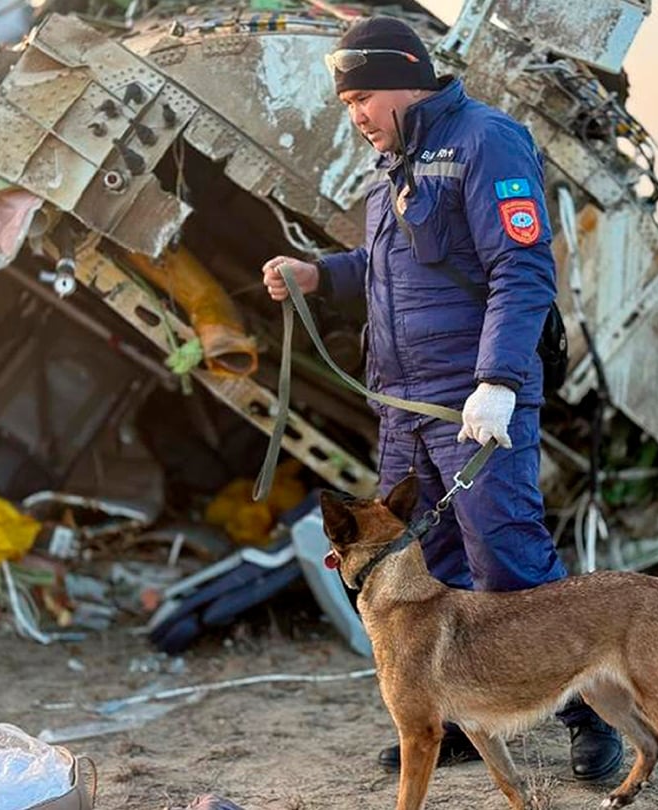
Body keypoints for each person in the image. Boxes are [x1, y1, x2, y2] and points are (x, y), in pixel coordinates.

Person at [261, 16, 622, 782]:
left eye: (362, 97)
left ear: (404, 78)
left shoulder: (488, 142)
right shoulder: (391, 164)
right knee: (430, 569)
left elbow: (521, 271)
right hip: (405, 408)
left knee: (508, 558)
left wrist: (497, 382)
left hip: (472, 402)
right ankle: (451, 719)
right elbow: (389, 268)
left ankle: (587, 717)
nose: (355, 115)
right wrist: (320, 275)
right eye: (347, 103)